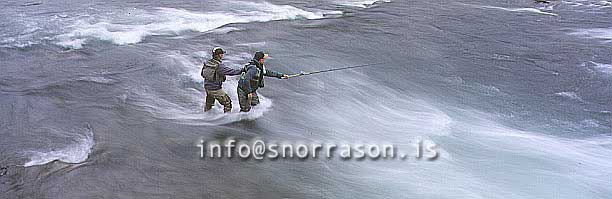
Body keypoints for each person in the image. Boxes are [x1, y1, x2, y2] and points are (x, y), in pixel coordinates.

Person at [201, 47, 242, 113]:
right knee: (227, 102)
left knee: (209, 103)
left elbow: (202, 74)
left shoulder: (207, 63)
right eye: (222, 54)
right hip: (215, 89)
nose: (222, 55)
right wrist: (242, 70)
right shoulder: (219, 66)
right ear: (219, 55)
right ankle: (227, 119)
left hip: (207, 88)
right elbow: (231, 72)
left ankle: (206, 116)